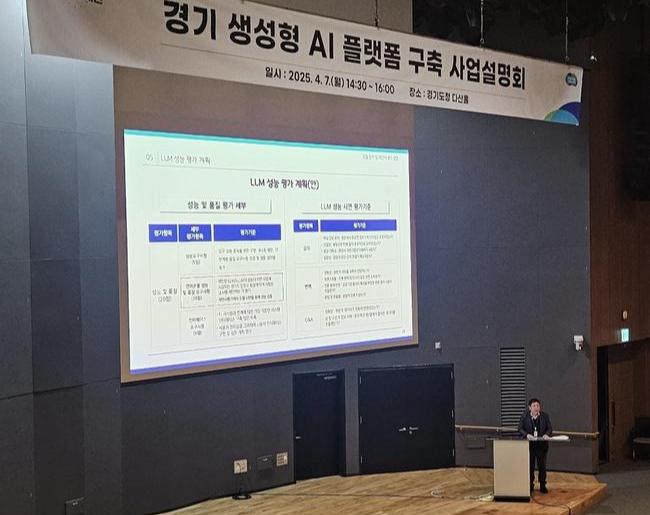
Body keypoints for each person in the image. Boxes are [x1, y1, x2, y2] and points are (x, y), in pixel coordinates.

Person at [518, 398, 552, 494]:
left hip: (542, 446)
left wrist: (547, 434)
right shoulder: (524, 416)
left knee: (542, 467)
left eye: (538, 406)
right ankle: (530, 485)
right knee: (530, 467)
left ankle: (542, 485)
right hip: (530, 446)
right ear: (530, 407)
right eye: (534, 406)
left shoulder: (545, 416)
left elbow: (549, 428)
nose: (536, 408)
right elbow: (520, 428)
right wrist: (526, 435)